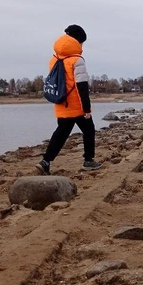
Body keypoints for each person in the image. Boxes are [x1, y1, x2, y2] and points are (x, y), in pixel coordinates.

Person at [37, 25, 102, 175]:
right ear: (78, 40)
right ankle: (88, 160)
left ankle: (45, 161)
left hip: (61, 102)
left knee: (61, 132)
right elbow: (82, 86)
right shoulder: (77, 60)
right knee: (89, 130)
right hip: (76, 104)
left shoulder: (54, 59)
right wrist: (86, 108)